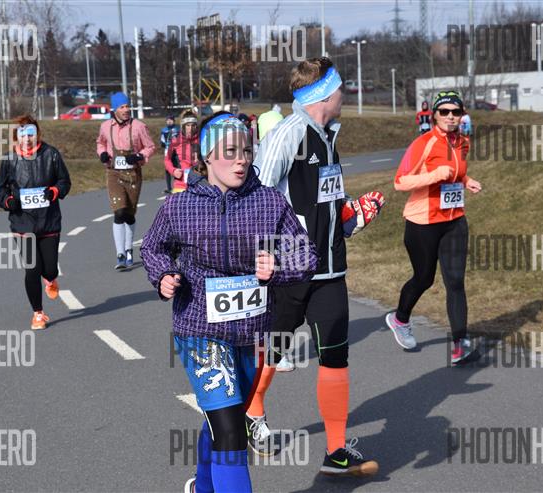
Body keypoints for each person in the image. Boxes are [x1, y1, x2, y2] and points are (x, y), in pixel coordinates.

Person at [141, 112, 317, 493]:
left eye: (247, 151)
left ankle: (203, 487)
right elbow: (153, 248)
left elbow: (307, 255)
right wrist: (164, 275)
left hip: (253, 334)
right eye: (230, 151)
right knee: (231, 432)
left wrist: (278, 266)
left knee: (228, 419)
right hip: (201, 331)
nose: (242, 160)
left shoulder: (269, 202)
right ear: (207, 156)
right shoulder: (179, 207)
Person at [251, 57, 384, 476]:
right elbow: (256, 197)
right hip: (290, 270)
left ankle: (336, 452)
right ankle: (251, 414)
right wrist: (264, 253)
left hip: (330, 271)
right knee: (272, 347)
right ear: (324, 94)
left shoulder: (329, 138)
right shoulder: (288, 134)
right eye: (340, 88)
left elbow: (326, 205)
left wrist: (352, 217)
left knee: (335, 357)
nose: (344, 94)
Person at [385, 90, 482, 365]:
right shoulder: (423, 143)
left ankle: (460, 344)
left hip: (454, 220)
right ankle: (400, 319)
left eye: (456, 112)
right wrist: (434, 175)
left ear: (462, 115)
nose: (451, 117)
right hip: (423, 222)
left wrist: (467, 181)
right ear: (435, 115)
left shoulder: (462, 142)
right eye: (445, 112)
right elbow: (400, 182)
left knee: (455, 282)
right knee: (424, 278)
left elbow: (457, 172)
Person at [0, 115, 71, 330]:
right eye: (22, 134)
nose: (27, 139)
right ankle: (38, 313)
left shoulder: (51, 154)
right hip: (22, 223)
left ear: (37, 134)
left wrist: (54, 191)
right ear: (16, 137)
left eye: (30, 134)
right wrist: (8, 201)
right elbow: (0, 188)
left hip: (49, 222)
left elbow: (64, 181)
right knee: (32, 269)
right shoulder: (9, 159)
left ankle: (51, 279)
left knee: (49, 268)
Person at [96, 92, 155, 271]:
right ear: (115, 109)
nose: (126, 109)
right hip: (113, 173)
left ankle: (129, 249)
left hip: (133, 174)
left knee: (129, 214)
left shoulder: (139, 126)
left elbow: (150, 147)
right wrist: (102, 153)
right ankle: (120, 253)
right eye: (122, 107)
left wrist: (139, 156)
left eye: (128, 106)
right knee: (119, 212)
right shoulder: (105, 126)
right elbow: (100, 143)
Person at [164, 110, 198, 193]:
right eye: (188, 125)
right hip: (181, 185)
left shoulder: (202, 140)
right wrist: (173, 170)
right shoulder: (176, 140)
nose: (190, 129)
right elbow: (167, 160)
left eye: (193, 125)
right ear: (183, 126)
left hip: (199, 184)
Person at [161, 114, 180, 193]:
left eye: (171, 120)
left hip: (177, 150)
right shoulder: (164, 130)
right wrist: (165, 145)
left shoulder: (178, 129)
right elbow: (162, 141)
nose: (169, 121)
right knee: (167, 169)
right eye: (168, 120)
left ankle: (178, 185)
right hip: (168, 150)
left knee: (178, 167)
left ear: (174, 121)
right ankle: (169, 187)